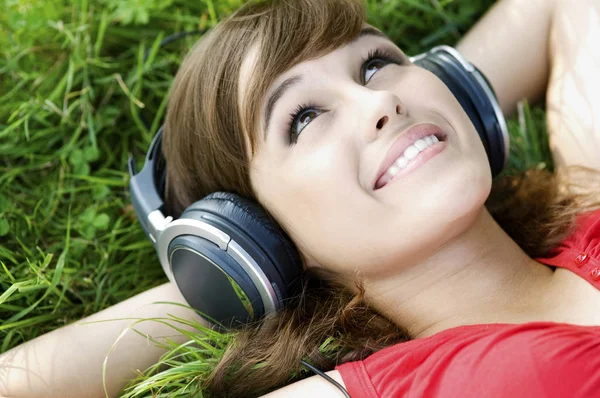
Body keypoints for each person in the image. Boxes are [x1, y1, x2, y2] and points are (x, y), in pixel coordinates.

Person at [2, 0, 600, 397]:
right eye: (305, 117)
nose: (378, 103)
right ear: (262, 233)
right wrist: (230, 277)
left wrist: (443, 111)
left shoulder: (589, 190)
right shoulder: (385, 389)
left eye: (374, 64)